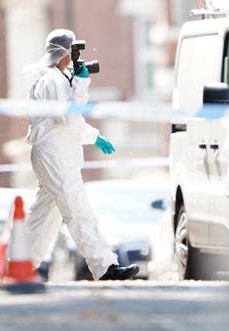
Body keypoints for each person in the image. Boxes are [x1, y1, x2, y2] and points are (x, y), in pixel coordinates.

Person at [24, 28, 140, 281]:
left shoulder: (57, 79)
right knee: (79, 212)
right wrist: (81, 85)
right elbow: (68, 116)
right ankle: (105, 267)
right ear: (64, 53)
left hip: (57, 154)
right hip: (55, 156)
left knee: (44, 217)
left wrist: (93, 135)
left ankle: (19, 264)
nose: (77, 58)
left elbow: (69, 121)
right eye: (73, 52)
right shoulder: (52, 81)